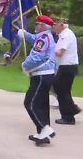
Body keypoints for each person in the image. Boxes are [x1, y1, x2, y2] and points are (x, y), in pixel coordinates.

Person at [18, 15, 57, 146]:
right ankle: (42, 134)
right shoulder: (44, 36)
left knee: (30, 103)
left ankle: (45, 129)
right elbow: (34, 38)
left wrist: (24, 65)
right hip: (45, 75)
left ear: (43, 26)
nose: (35, 26)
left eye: (37, 24)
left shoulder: (44, 38)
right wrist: (25, 34)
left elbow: (37, 56)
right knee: (41, 105)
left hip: (41, 75)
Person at [53, 18, 81, 125]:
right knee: (63, 91)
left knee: (61, 91)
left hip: (67, 66)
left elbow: (60, 52)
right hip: (66, 66)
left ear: (61, 25)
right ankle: (71, 111)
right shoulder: (64, 34)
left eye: (55, 25)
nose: (54, 27)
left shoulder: (66, 35)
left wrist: (51, 50)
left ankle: (69, 115)